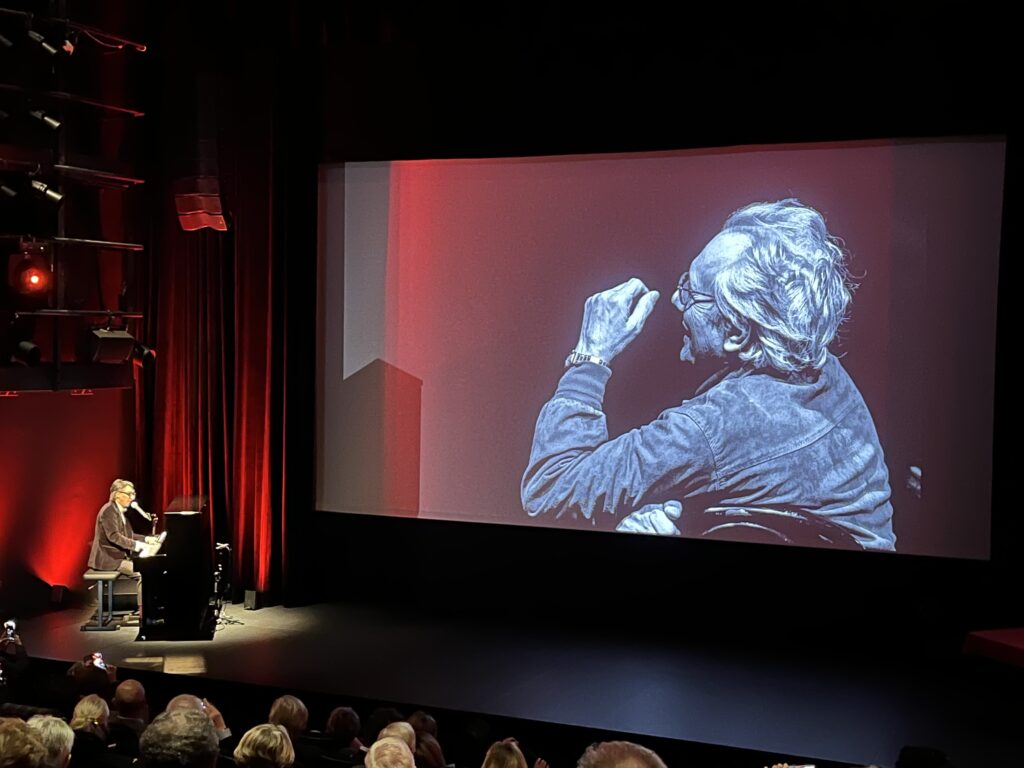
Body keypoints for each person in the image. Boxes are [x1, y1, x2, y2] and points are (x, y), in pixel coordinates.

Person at [522, 199, 895, 551]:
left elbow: (550, 491)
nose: (675, 300)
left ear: (736, 333)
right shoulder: (820, 362)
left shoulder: (712, 428)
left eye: (691, 292)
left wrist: (591, 355)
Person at [87, 480, 160, 609]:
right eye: (128, 494)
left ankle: (150, 608)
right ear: (117, 495)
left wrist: (147, 539)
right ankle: (143, 613)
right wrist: (138, 545)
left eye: (133, 494)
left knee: (149, 568)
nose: (132, 498)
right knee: (142, 572)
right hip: (109, 559)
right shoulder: (108, 511)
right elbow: (114, 536)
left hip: (117, 557)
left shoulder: (119, 512)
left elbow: (128, 535)